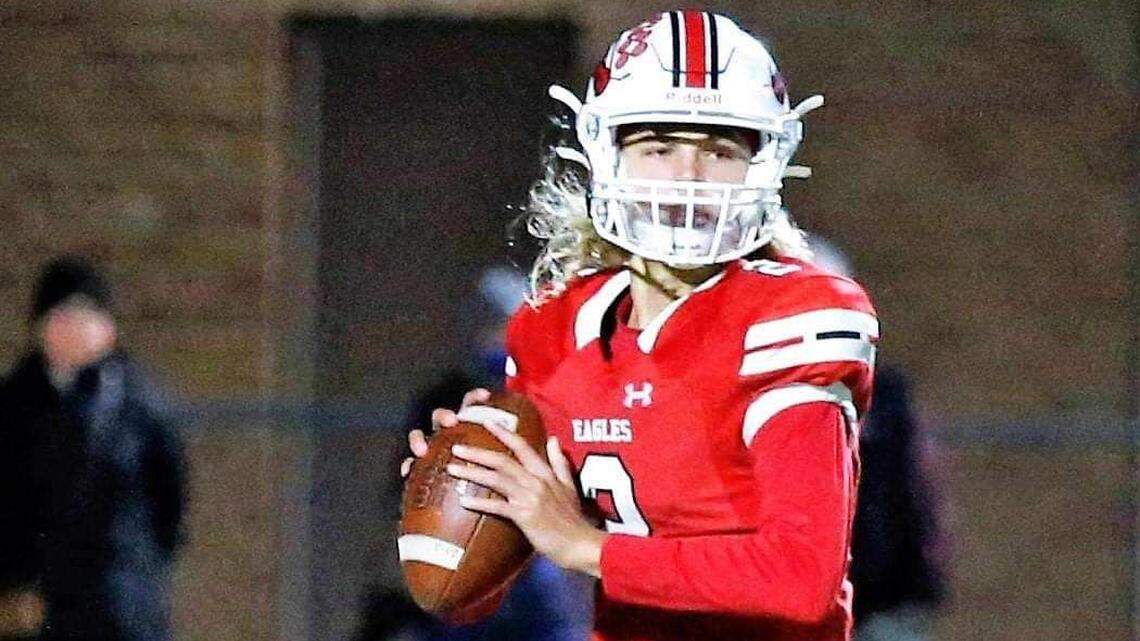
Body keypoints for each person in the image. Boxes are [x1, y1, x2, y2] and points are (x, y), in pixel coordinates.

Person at [403, 11, 878, 641]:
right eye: (659, 146)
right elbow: (470, 603)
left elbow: (799, 578)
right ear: (607, 155)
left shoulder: (787, 319)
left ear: (765, 167)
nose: (687, 176)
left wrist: (584, 546)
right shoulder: (554, 331)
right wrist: (466, 506)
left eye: (719, 150)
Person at [0, 256, 188, 641]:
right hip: (40, 604)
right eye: (65, 316)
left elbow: (168, 500)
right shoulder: (15, 405)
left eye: (88, 316)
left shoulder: (140, 404)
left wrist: (142, 575)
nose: (77, 329)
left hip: (122, 602)